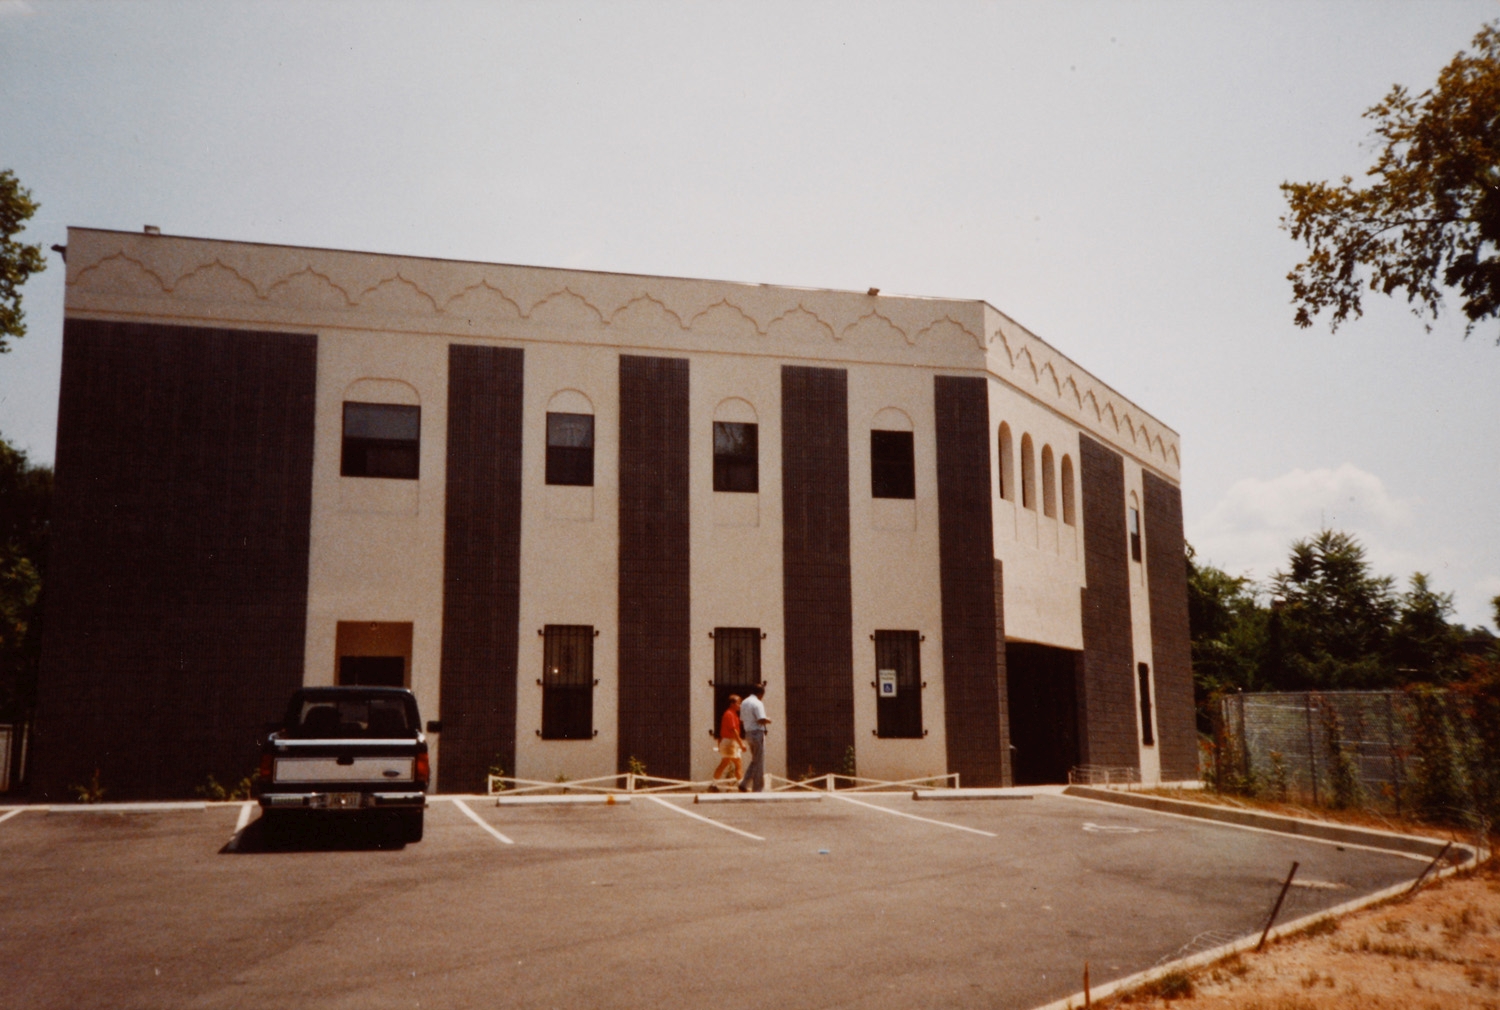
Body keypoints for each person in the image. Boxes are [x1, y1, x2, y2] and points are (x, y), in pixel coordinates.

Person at [737, 683, 771, 793]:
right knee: (759, 761)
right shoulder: (758, 703)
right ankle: (757, 788)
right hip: (757, 732)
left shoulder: (744, 702)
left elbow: (742, 719)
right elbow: (761, 719)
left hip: (748, 733)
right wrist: (768, 720)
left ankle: (744, 783)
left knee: (755, 760)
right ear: (760, 693)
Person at [712, 695, 746, 783]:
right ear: (732, 704)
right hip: (730, 743)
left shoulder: (732, 714)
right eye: (738, 703)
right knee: (737, 764)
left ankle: (714, 784)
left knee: (725, 764)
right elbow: (733, 730)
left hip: (729, 742)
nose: (740, 705)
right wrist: (741, 744)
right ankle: (742, 786)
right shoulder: (730, 714)